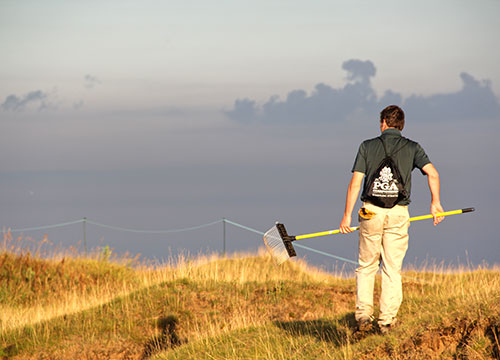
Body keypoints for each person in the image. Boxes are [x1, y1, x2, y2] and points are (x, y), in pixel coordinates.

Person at [339, 105, 444, 334]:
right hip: (398, 213)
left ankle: (364, 316)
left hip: (370, 212)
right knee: (391, 268)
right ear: (401, 125)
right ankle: (386, 321)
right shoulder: (413, 147)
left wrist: (347, 216)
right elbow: (433, 173)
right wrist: (435, 203)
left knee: (366, 266)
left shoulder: (367, 146)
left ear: (384, 122)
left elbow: (356, 183)